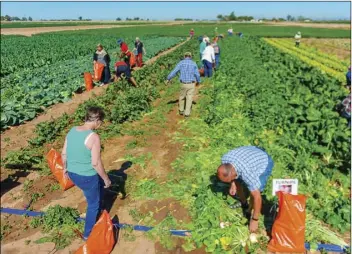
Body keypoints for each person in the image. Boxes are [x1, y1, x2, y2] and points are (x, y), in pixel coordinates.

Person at [62, 106, 111, 240]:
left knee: (98, 186)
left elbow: (64, 153)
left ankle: (100, 207)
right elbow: (95, 163)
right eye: (101, 122)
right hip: (87, 177)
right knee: (93, 204)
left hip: (72, 173)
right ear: (98, 121)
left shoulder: (72, 130)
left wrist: (64, 169)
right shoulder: (93, 137)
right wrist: (106, 178)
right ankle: (87, 234)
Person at [217, 146, 274, 233]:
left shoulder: (248, 173)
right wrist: (232, 184)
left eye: (230, 180)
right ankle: (245, 204)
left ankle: (250, 209)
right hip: (249, 155)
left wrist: (255, 220)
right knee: (238, 182)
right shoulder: (225, 159)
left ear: (232, 173)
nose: (230, 181)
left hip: (263, 162)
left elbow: (257, 197)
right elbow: (234, 178)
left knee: (256, 190)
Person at [166, 52, 201, 118]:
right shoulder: (193, 63)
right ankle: (187, 113)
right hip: (191, 83)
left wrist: (168, 78)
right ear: (190, 57)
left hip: (183, 83)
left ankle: (181, 110)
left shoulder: (181, 63)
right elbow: (197, 74)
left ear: (184, 56)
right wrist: (198, 81)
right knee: (189, 97)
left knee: (182, 96)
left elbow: (174, 71)